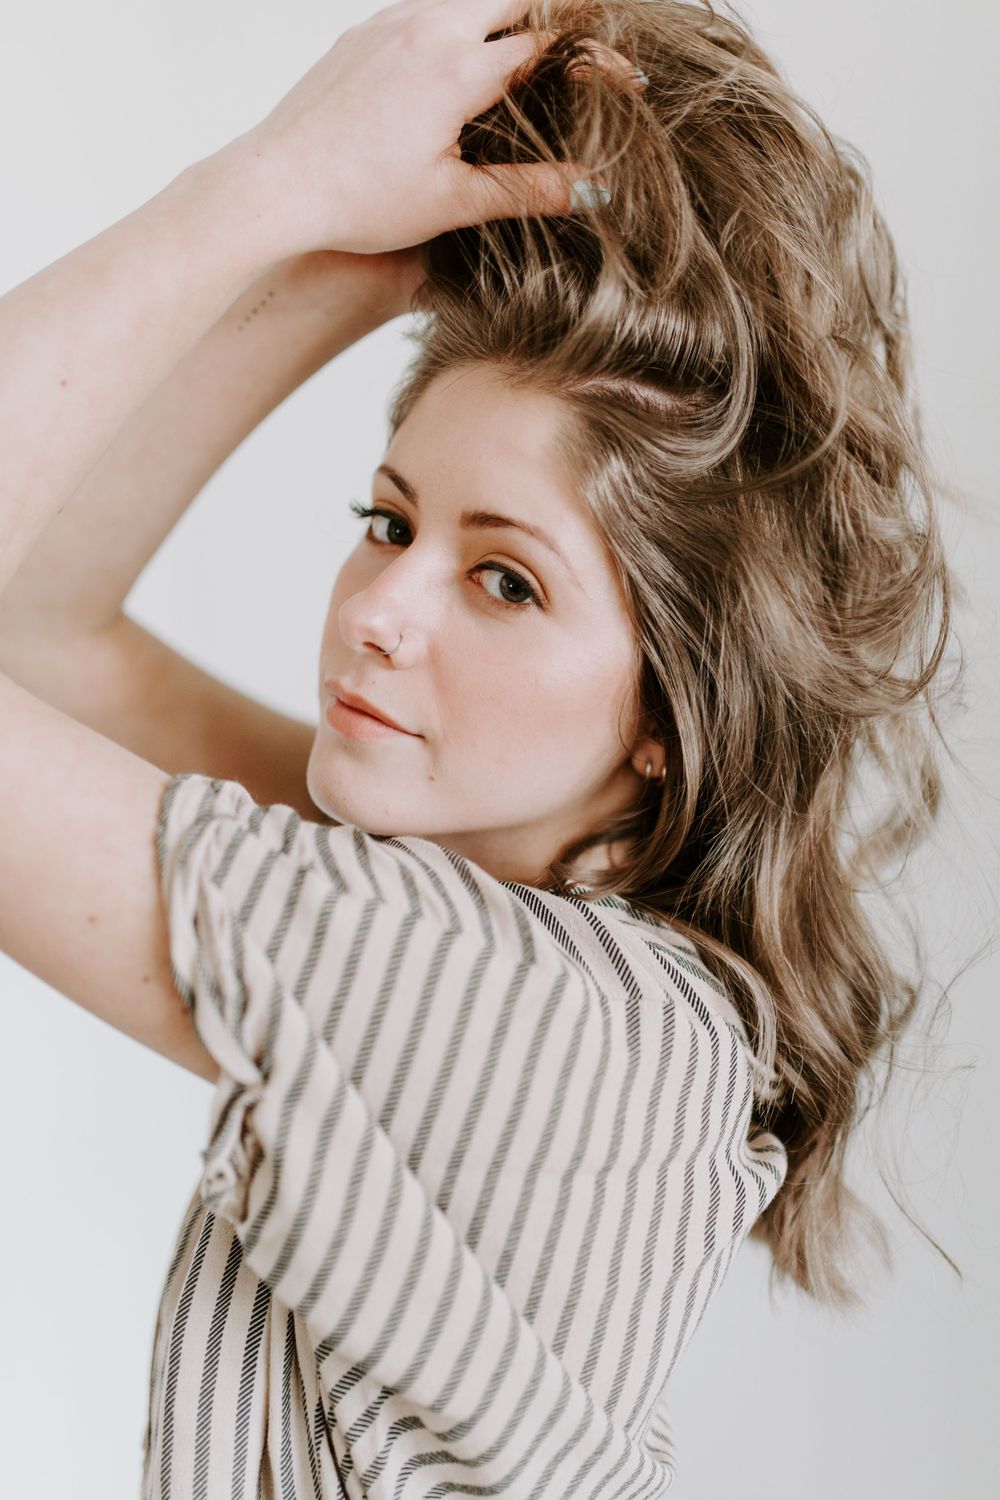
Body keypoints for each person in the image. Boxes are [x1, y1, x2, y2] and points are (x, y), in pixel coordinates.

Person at [0, 1, 962, 1496]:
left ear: (666, 715)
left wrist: (267, 190)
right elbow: (43, 629)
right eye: (388, 523)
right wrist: (359, 267)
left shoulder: (504, 1001)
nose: (380, 610)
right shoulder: (595, 984)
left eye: (503, 580)